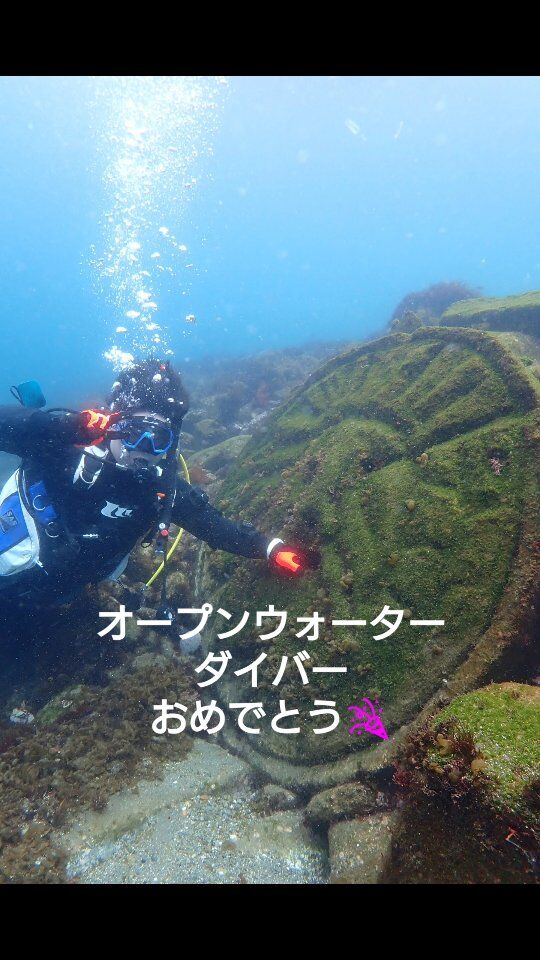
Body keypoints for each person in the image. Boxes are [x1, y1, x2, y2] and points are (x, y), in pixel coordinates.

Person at [0, 359, 318, 619]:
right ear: (113, 425)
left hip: (57, 601)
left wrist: (271, 548)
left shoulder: (159, 488)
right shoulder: (64, 450)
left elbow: (217, 529)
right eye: (135, 433)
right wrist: (58, 426)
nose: (145, 448)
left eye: (159, 439)